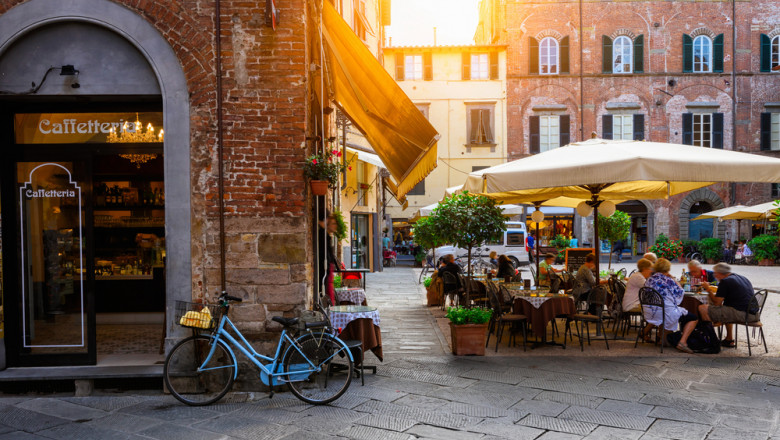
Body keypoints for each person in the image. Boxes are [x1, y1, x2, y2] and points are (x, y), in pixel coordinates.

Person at [677, 263, 758, 351]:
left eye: (715, 273)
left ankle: (711, 341)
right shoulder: (742, 278)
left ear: (720, 273)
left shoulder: (725, 281)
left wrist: (708, 289)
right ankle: (728, 338)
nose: (714, 276)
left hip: (743, 314)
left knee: (702, 308)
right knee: (725, 307)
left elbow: (717, 303)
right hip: (753, 313)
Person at [642, 258, 689, 343]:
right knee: (693, 318)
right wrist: (673, 279)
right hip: (663, 312)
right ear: (668, 269)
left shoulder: (649, 279)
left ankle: (661, 337)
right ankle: (679, 341)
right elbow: (680, 292)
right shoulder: (668, 280)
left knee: (664, 306)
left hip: (649, 312)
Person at [322, 213, 342, 306]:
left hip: (329, 267)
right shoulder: (324, 236)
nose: (335, 226)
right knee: (329, 292)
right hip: (326, 268)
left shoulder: (327, 236)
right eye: (333, 223)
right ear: (328, 224)